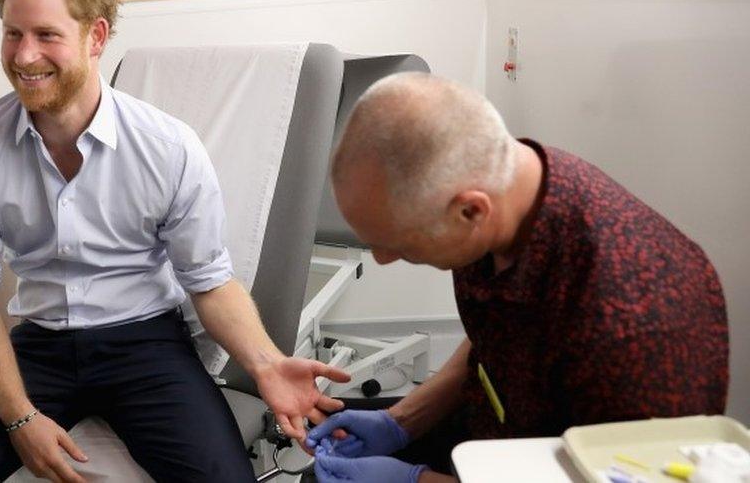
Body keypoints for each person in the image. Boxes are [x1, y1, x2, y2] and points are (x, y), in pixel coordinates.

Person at [0, 0, 348, 483]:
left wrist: (266, 364)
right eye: (13, 33)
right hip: (39, 349)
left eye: (47, 35)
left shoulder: (168, 147)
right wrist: (19, 416)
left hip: (146, 346)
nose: (25, 55)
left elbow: (210, 281)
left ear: (95, 36)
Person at [306, 72, 729, 482]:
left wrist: (418, 482)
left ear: (471, 211)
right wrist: (401, 422)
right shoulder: (510, 189)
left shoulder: (632, 326)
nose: (383, 259)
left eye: (400, 243)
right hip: (498, 428)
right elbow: (494, 338)